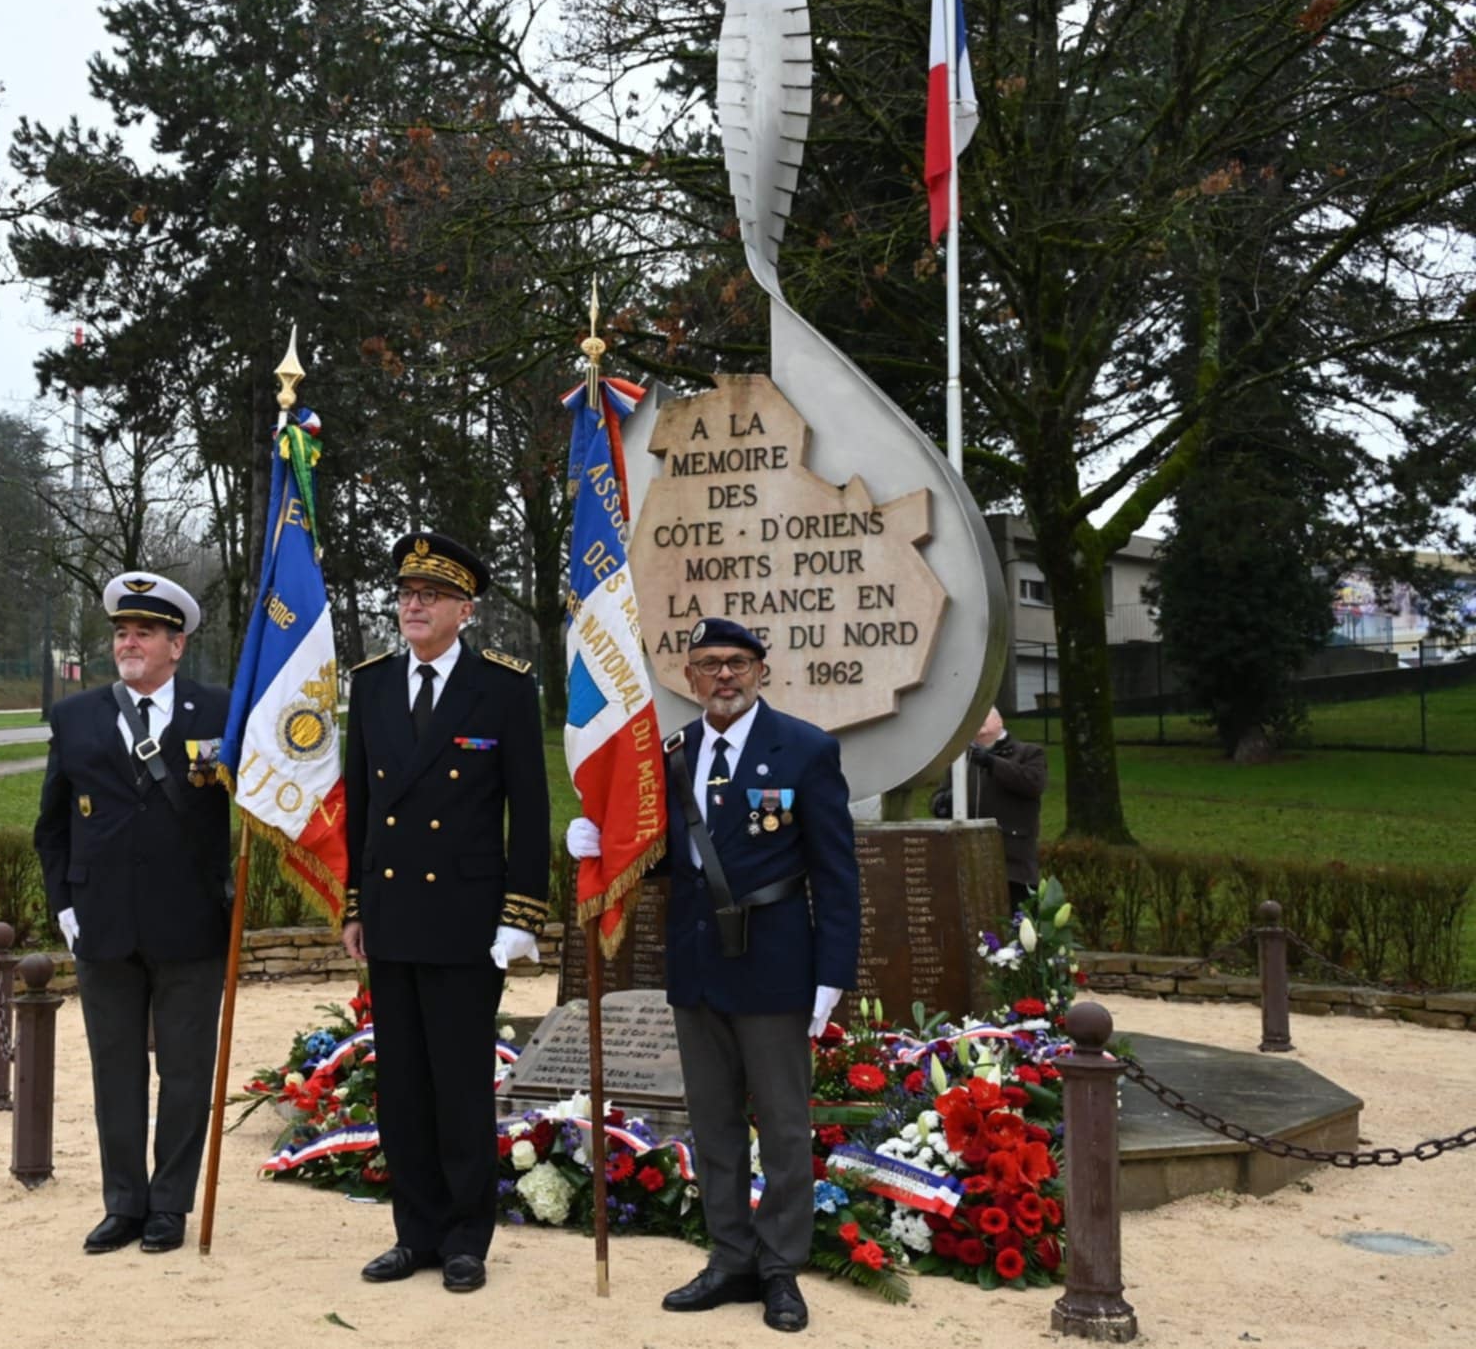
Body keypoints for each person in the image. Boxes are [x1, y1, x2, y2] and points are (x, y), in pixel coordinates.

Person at [566, 617, 860, 1334]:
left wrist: (831, 975)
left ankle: (780, 1266)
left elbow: (836, 873)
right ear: (689, 678)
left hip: (777, 963)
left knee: (785, 1127)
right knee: (714, 1125)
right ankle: (730, 1257)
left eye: (735, 663)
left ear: (762, 669)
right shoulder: (672, 753)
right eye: (706, 665)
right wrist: (602, 844)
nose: (722, 676)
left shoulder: (806, 750)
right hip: (697, 964)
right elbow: (668, 856)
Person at [340, 531, 551, 1295]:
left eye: (429, 596)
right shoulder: (370, 685)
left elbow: (528, 812)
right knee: (401, 1086)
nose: (413, 605)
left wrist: (520, 913)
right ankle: (415, 1233)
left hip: (467, 919)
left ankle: (467, 1238)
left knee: (459, 1085)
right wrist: (355, 904)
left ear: (465, 609)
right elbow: (360, 806)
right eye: (405, 594)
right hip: (393, 914)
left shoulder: (502, 688)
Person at [33, 571, 232, 1257]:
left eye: (144, 633)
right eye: (121, 633)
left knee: (184, 1073)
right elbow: (51, 827)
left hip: (191, 922)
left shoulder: (221, 712)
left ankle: (169, 1205)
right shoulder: (76, 716)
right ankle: (124, 1203)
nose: (129, 643)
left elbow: (258, 806)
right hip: (103, 923)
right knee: (115, 1070)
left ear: (176, 645)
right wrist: (63, 904)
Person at [930, 706, 1048, 910]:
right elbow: (938, 796)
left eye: (985, 716)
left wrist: (992, 763)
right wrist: (942, 803)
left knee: (1016, 927)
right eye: (975, 718)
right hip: (970, 860)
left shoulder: (1028, 753)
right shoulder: (960, 759)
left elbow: (1032, 784)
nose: (979, 721)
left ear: (1000, 722)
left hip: (1013, 863)